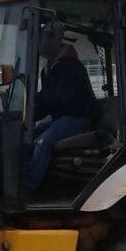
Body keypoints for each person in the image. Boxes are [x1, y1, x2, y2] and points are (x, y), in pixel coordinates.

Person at [28, 43, 98, 192]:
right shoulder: (48, 70)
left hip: (78, 118)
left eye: (59, 47)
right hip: (61, 118)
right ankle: (23, 175)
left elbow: (61, 96)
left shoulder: (72, 67)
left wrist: (34, 98)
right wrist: (28, 117)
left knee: (43, 142)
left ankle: (29, 186)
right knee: (29, 134)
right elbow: (48, 103)